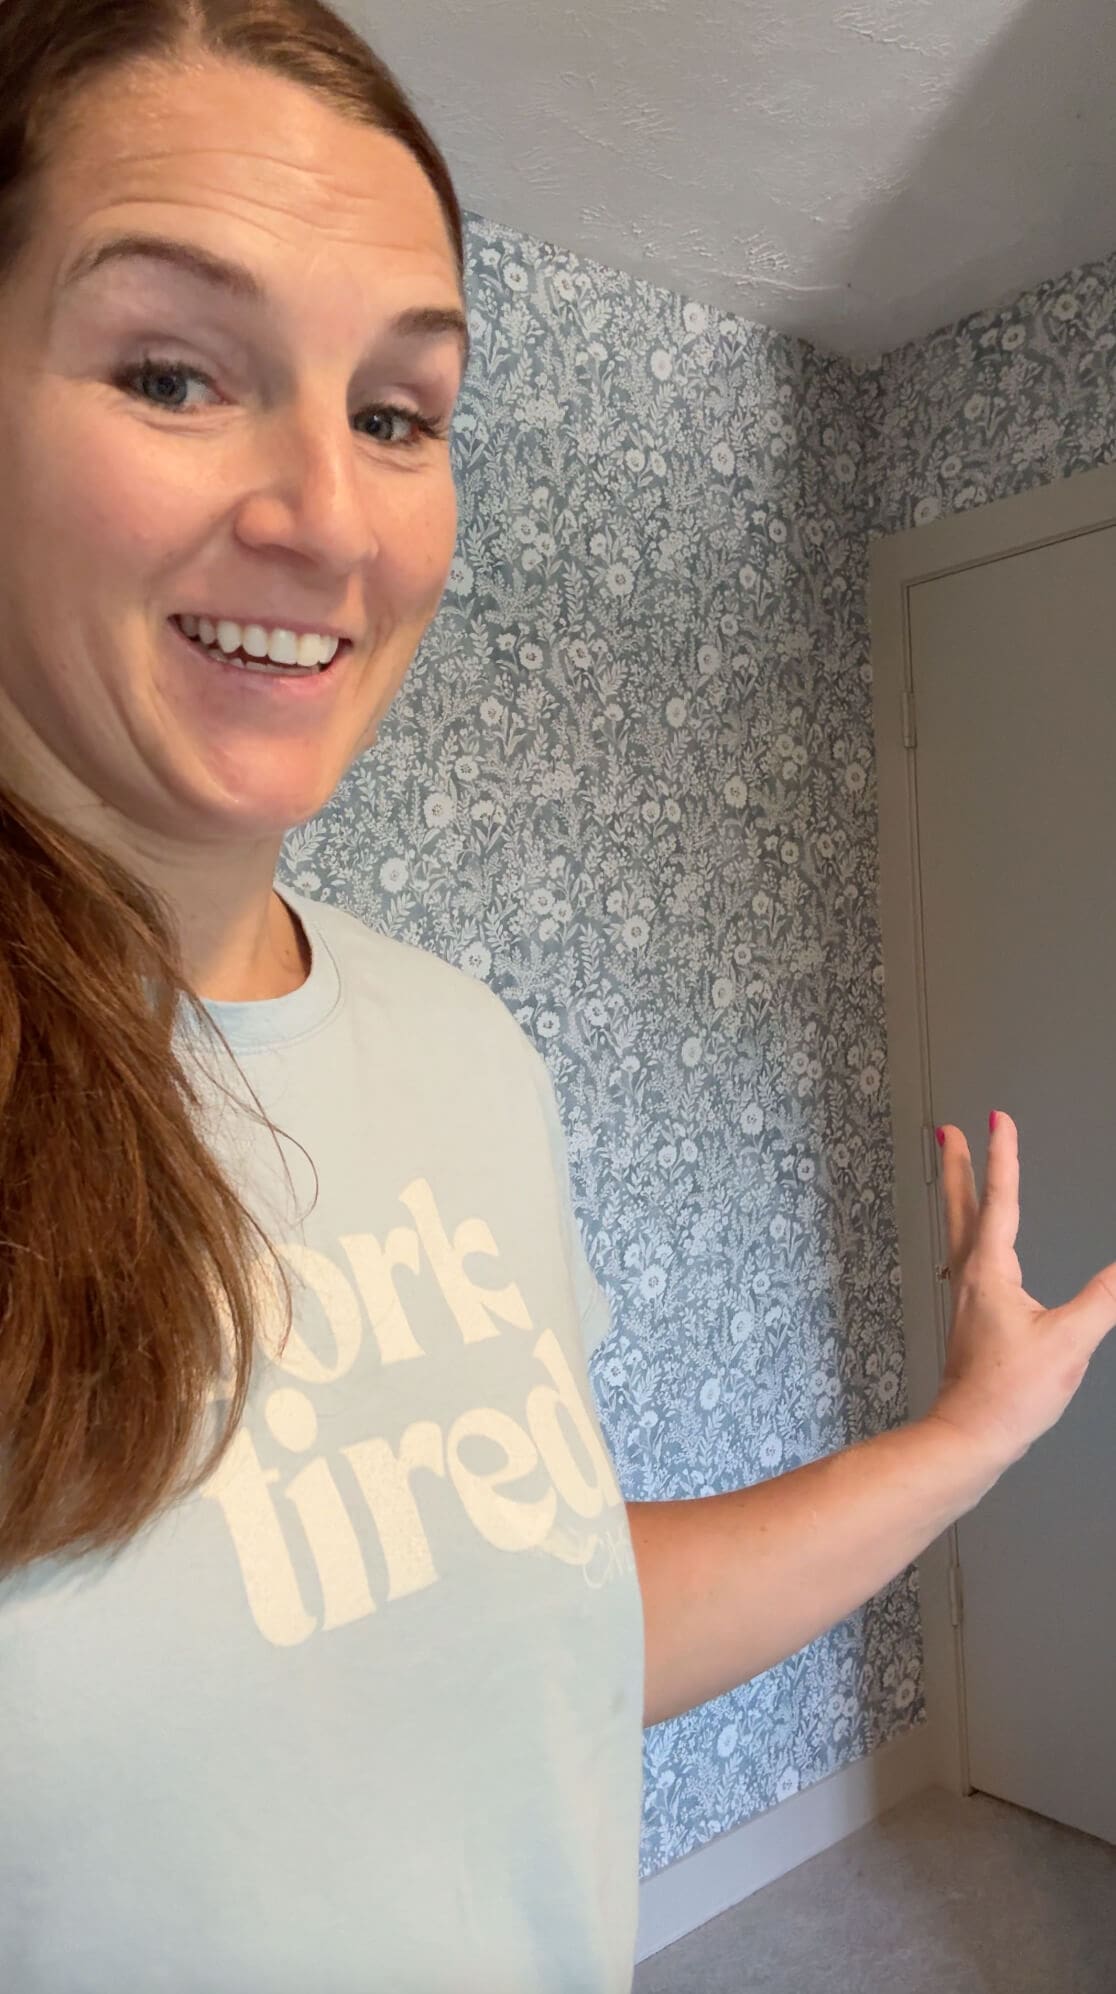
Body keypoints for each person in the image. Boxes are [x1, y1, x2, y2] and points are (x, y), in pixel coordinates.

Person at [1, 4, 1113, 1991]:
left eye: (399, 413)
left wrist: (973, 1432)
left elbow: (536, 1611)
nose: (331, 518)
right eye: (174, 371)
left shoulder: (459, 1049)